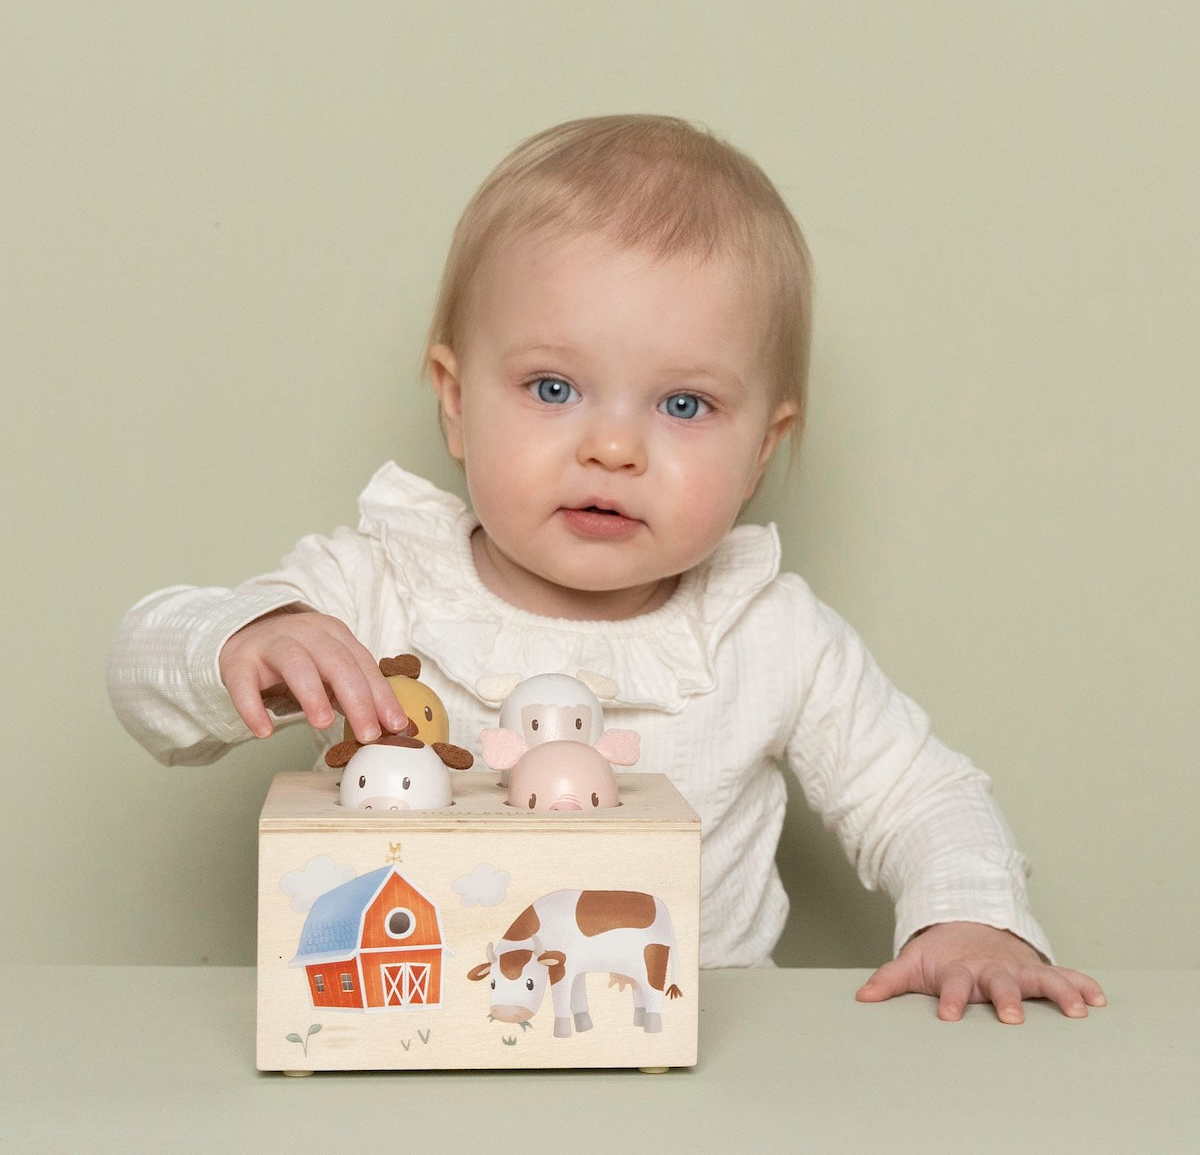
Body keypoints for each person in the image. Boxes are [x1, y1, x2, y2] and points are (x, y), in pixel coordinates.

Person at [108, 114, 1105, 1024]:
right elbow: (146, 676)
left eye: (684, 406)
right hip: (430, 1043)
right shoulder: (380, 586)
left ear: (765, 446)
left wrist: (970, 919)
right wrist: (247, 636)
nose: (614, 449)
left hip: (694, 1054)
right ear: (456, 402)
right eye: (553, 387)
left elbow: (920, 796)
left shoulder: (766, 631)